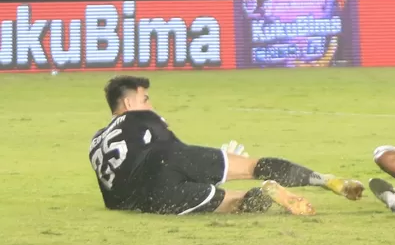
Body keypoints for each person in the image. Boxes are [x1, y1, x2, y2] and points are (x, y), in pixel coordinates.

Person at [89, 76, 364, 215]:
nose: (150, 104)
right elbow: (172, 150)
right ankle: (324, 180)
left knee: (233, 202)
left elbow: (113, 198)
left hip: (145, 201)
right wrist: (215, 162)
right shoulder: (141, 117)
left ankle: (265, 194)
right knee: (250, 166)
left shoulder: (95, 142)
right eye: (146, 98)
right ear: (128, 104)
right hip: (163, 161)